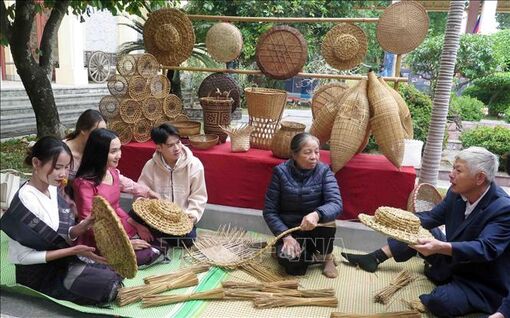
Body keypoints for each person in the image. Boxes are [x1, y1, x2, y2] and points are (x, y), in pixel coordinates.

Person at [342, 147, 510, 317]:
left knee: (438, 301)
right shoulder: (457, 194)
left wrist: (440, 247)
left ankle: (453, 290)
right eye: (452, 168)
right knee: (415, 229)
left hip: (478, 280)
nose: (451, 174)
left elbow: (485, 248)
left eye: (458, 170)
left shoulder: (503, 208)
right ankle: (375, 257)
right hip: (452, 259)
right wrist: (394, 220)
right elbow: (431, 218)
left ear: (479, 178)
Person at [0, 136, 122, 305]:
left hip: (61, 262)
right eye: (57, 167)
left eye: (66, 168)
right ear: (36, 163)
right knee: (106, 288)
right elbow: (22, 257)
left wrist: (81, 227)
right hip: (37, 274)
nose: (63, 174)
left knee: (113, 273)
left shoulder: (52, 188)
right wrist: (72, 252)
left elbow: (62, 234)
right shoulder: (25, 201)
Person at [73, 128, 164, 267]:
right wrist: (124, 244)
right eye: (113, 151)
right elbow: (89, 224)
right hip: (100, 237)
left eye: (119, 149)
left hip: (119, 224)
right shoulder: (84, 184)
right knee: (146, 253)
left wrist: (137, 224)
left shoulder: (113, 172)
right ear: (99, 153)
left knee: (157, 239)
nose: (119, 155)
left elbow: (122, 198)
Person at [263, 132, 342, 278]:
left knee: (328, 221)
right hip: (291, 229)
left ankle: (326, 257)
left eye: (317, 152)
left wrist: (317, 214)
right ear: (294, 155)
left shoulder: (324, 171)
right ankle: (305, 254)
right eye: (308, 152)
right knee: (294, 268)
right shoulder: (280, 173)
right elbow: (269, 211)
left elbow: (336, 203)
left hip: (316, 228)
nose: (314, 157)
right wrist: (286, 236)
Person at [131, 123, 207, 247]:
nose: (177, 148)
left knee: (189, 239)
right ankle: (159, 239)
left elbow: (199, 196)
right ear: (159, 147)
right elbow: (141, 192)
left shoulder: (194, 165)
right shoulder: (151, 166)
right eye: (170, 145)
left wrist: (191, 217)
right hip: (156, 219)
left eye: (178, 142)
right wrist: (147, 212)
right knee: (133, 215)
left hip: (181, 219)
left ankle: (159, 241)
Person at [63, 109, 107, 180]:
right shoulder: (61, 150)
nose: (102, 135)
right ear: (83, 129)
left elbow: (108, 173)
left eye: (104, 131)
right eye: (98, 131)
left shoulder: (97, 149)